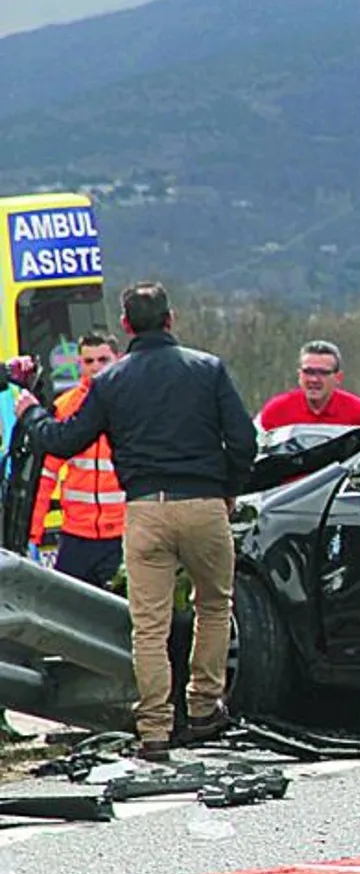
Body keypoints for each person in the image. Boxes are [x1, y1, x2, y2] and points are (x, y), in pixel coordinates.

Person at [15, 282, 256, 761]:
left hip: (144, 511)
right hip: (205, 504)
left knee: (149, 626)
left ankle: (154, 729)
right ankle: (205, 708)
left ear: (125, 327)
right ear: (171, 319)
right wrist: (226, 490)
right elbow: (245, 442)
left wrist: (30, 412)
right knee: (213, 606)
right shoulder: (208, 370)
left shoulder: (111, 382)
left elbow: (63, 441)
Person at [29, 333, 126, 587]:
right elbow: (46, 476)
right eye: (89, 361)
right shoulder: (65, 407)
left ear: (119, 360)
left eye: (103, 360)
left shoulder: (132, 405)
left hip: (122, 533)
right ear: (80, 364)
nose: (95, 367)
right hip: (76, 536)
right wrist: (33, 534)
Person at [255, 341, 360, 434]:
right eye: (308, 372)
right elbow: (247, 443)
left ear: (338, 378)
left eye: (323, 373)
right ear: (299, 375)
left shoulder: (358, 411)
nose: (314, 379)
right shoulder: (277, 410)